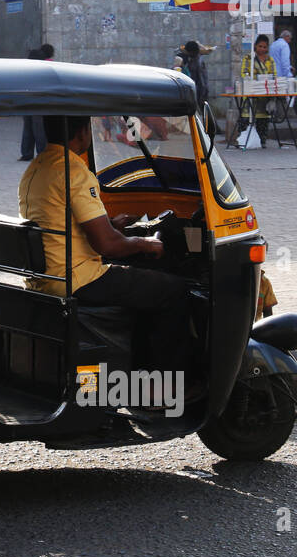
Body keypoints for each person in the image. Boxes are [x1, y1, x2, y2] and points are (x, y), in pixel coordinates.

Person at [19, 115, 195, 376]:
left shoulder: (36, 168)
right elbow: (107, 246)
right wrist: (145, 243)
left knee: (141, 283)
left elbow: (65, 220)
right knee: (174, 290)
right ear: (81, 133)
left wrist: (112, 224)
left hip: (46, 276)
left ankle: (138, 367)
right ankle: (163, 387)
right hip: (78, 278)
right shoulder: (74, 170)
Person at [238, 34, 277, 145]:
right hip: (251, 93)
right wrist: (254, 79)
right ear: (255, 46)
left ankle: (262, 141)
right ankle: (243, 141)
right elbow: (244, 73)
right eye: (260, 46)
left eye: (265, 47)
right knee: (246, 117)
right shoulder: (248, 58)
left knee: (263, 119)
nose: (262, 49)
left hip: (265, 94)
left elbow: (274, 74)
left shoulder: (270, 60)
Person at [20, 45, 56, 161]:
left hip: (28, 103)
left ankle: (27, 153)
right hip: (39, 104)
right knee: (39, 130)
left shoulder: (26, 71)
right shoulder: (46, 69)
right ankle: (42, 154)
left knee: (28, 129)